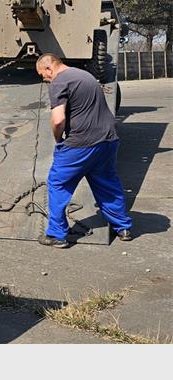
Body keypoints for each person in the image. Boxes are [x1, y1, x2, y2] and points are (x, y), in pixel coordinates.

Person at [35, 53, 133, 248]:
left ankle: (56, 234)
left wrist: (58, 139)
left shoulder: (59, 82)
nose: (44, 79)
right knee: (107, 183)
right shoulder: (85, 75)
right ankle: (122, 227)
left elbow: (58, 119)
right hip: (108, 140)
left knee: (57, 184)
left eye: (43, 75)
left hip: (80, 144)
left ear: (49, 68)